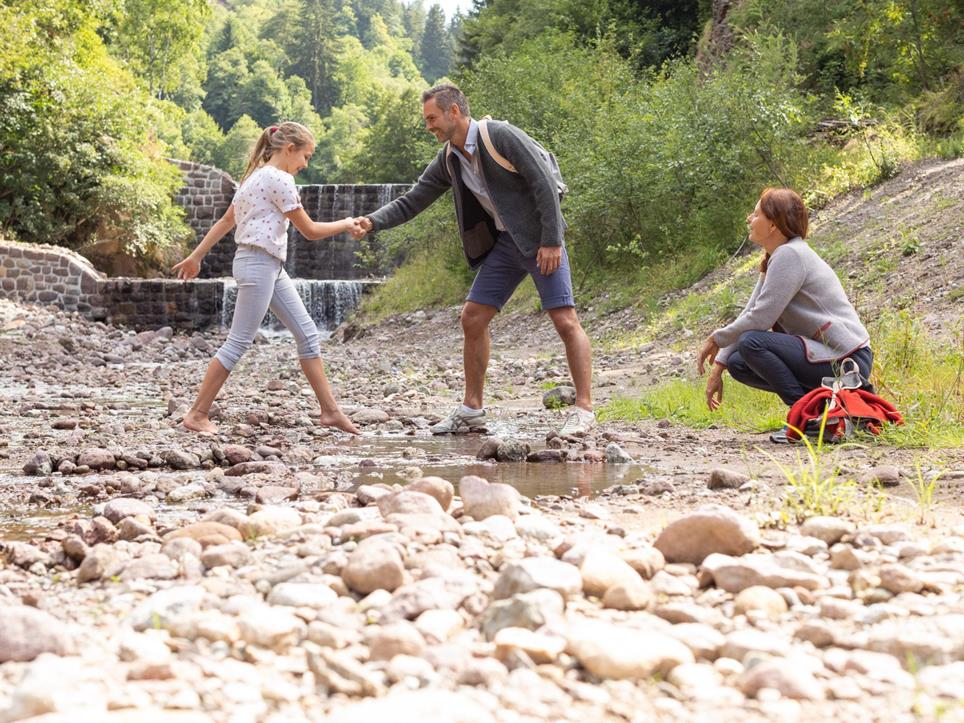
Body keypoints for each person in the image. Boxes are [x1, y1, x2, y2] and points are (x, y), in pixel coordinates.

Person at [353, 84, 595, 436]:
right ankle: (472, 410)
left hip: (540, 241)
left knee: (565, 320)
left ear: (454, 112)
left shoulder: (500, 135)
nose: (428, 127)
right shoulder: (449, 158)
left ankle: (584, 409)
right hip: (506, 245)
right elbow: (413, 200)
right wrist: (373, 221)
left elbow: (543, 182)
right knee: (473, 317)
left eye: (432, 119)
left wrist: (552, 240)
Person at [173, 121, 360, 436]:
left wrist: (197, 256)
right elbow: (310, 231)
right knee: (238, 342)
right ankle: (196, 414)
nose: (305, 164)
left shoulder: (253, 179)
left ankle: (330, 412)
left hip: (268, 265)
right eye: (306, 156)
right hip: (259, 264)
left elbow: (226, 220)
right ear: (289, 149)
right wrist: (345, 222)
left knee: (307, 334)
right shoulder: (280, 179)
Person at [697, 187, 873, 443]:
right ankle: (824, 413)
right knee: (738, 362)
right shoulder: (777, 256)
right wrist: (719, 366)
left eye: (756, 214)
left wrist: (715, 338)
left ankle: (807, 418)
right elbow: (751, 311)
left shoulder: (791, 254)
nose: (749, 218)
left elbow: (760, 319)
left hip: (847, 359)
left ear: (773, 225)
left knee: (751, 343)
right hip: (828, 355)